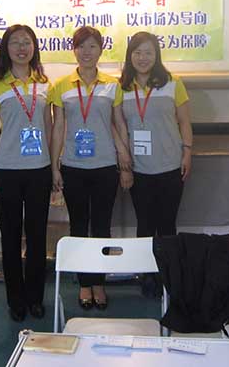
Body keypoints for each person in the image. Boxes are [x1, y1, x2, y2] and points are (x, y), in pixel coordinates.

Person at [50, 26, 131, 311]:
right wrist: (55, 165)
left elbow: (118, 123)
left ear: (101, 50)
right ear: (74, 50)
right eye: (81, 46)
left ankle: (99, 282)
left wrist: (124, 159)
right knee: (78, 226)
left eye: (92, 46)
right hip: (73, 166)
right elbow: (58, 127)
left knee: (101, 226)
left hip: (105, 166)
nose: (87, 52)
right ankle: (84, 283)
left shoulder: (112, 84)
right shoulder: (61, 85)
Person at [0, 24, 52, 322]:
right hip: (7, 170)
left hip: (39, 170)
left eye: (27, 42)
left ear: (34, 47)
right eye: (15, 43)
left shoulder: (45, 83)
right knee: (10, 238)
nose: (22, 48)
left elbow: (50, 127)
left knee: (37, 237)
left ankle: (35, 298)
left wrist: (54, 165)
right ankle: (16, 300)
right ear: (6, 49)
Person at [114, 30, 193, 239]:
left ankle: (168, 262)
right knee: (144, 226)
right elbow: (119, 126)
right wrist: (125, 167)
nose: (143, 58)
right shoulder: (121, 87)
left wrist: (187, 153)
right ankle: (146, 263)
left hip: (171, 166)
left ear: (156, 55)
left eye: (148, 53)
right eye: (137, 52)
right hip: (139, 168)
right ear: (130, 55)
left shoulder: (173, 83)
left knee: (167, 226)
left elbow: (184, 121)